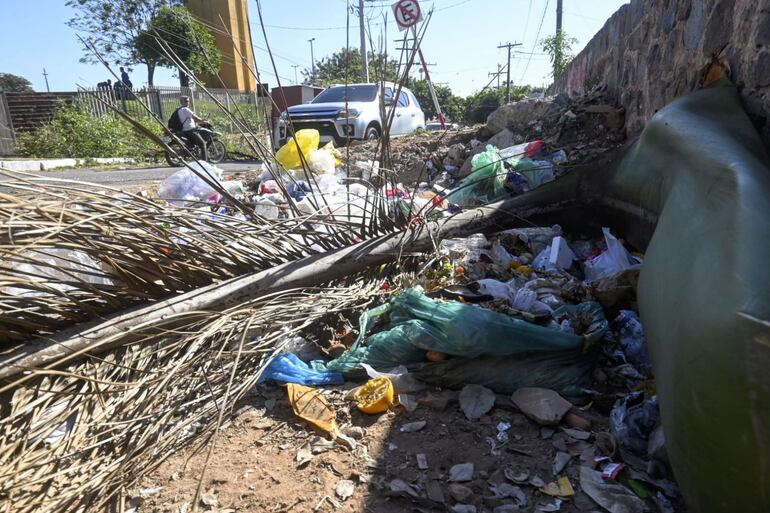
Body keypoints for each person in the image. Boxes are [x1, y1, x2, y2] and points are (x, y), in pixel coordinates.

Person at [174, 96, 208, 161]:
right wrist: (203, 120)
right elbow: (196, 118)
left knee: (195, 144)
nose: (188, 103)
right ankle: (205, 162)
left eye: (189, 101)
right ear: (182, 102)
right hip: (190, 131)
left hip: (183, 131)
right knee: (203, 144)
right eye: (186, 101)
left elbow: (190, 119)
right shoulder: (186, 109)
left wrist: (200, 121)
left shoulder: (178, 109)